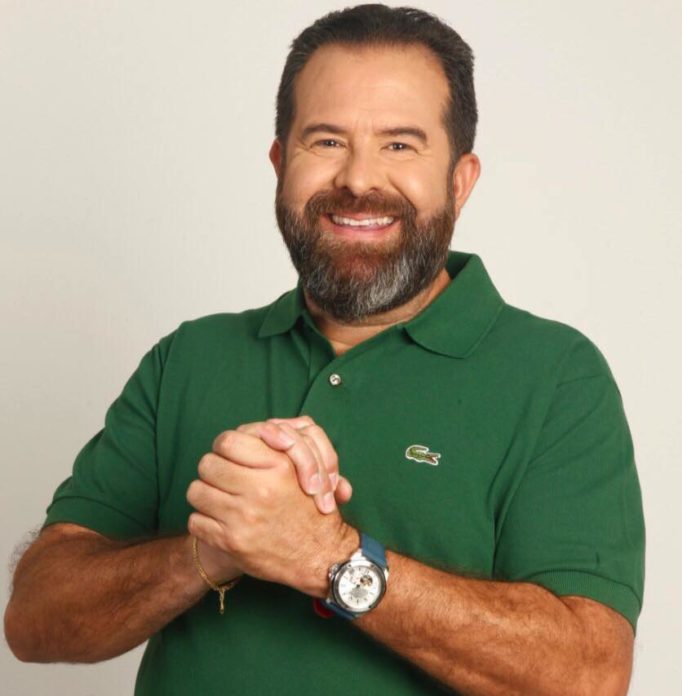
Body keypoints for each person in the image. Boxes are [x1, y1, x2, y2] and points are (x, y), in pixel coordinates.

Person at [4, 5, 644, 695]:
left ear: (460, 180)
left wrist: (328, 557)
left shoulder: (556, 376)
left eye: (400, 145)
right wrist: (211, 548)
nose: (359, 179)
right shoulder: (188, 358)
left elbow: (590, 674)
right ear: (281, 163)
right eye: (327, 141)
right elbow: (34, 621)